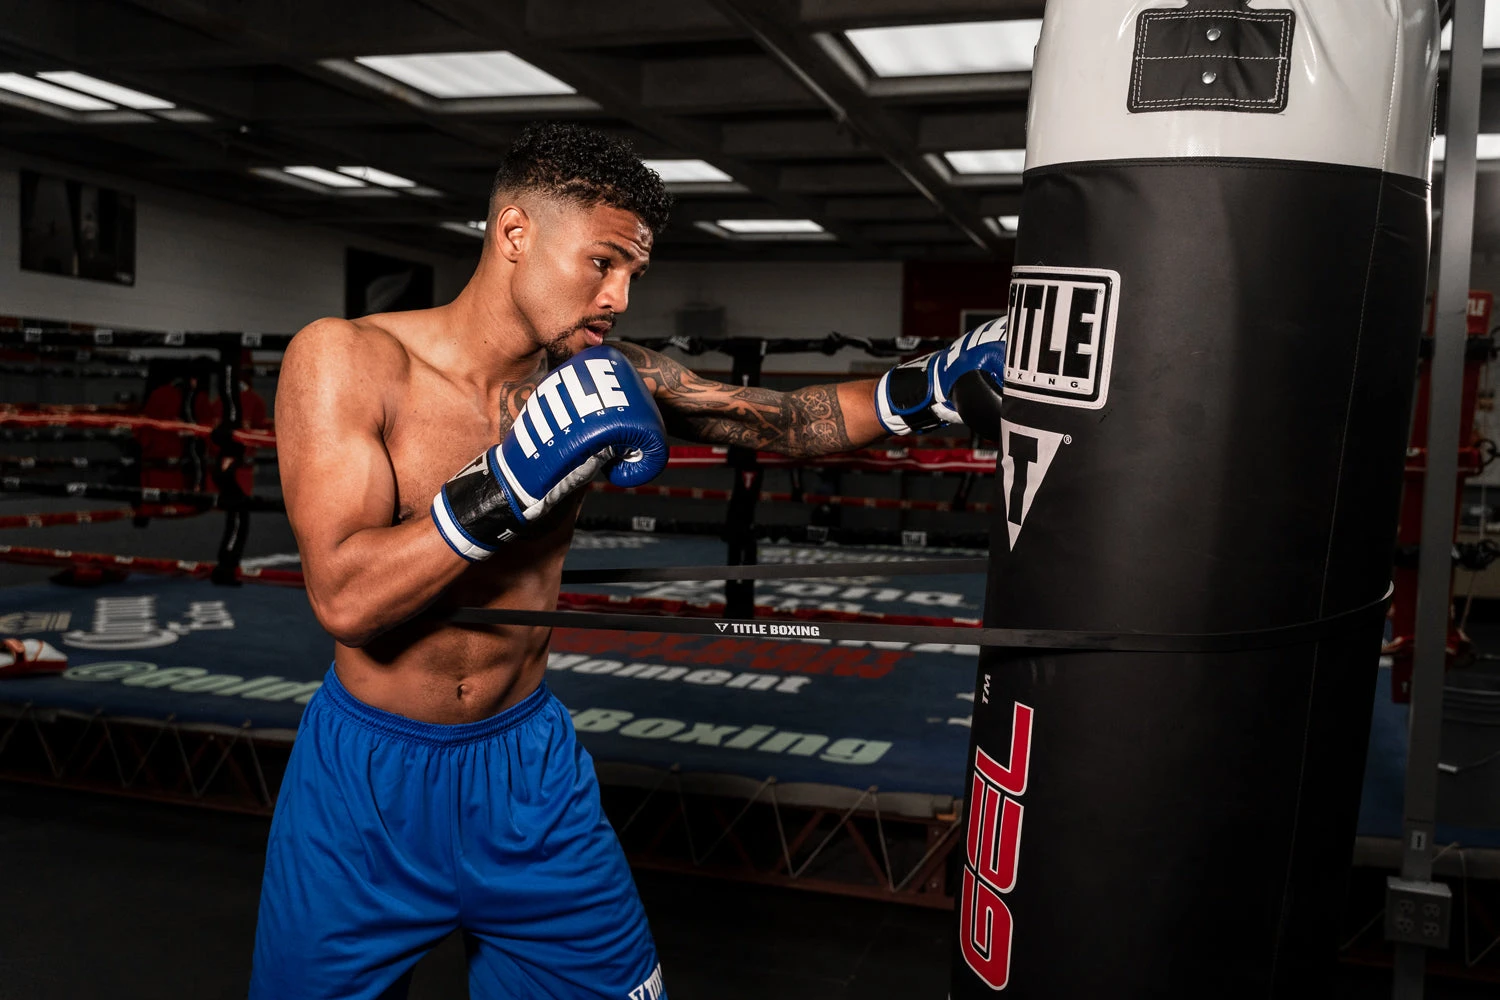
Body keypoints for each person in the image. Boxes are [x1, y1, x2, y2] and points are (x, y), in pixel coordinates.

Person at [255, 121, 1006, 1000]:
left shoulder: (607, 374)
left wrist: (925, 387)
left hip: (529, 775)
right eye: (601, 263)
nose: (616, 297)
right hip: (364, 787)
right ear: (515, 232)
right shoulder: (347, 360)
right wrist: (510, 480)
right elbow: (345, 599)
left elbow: (789, 420)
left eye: (631, 276)